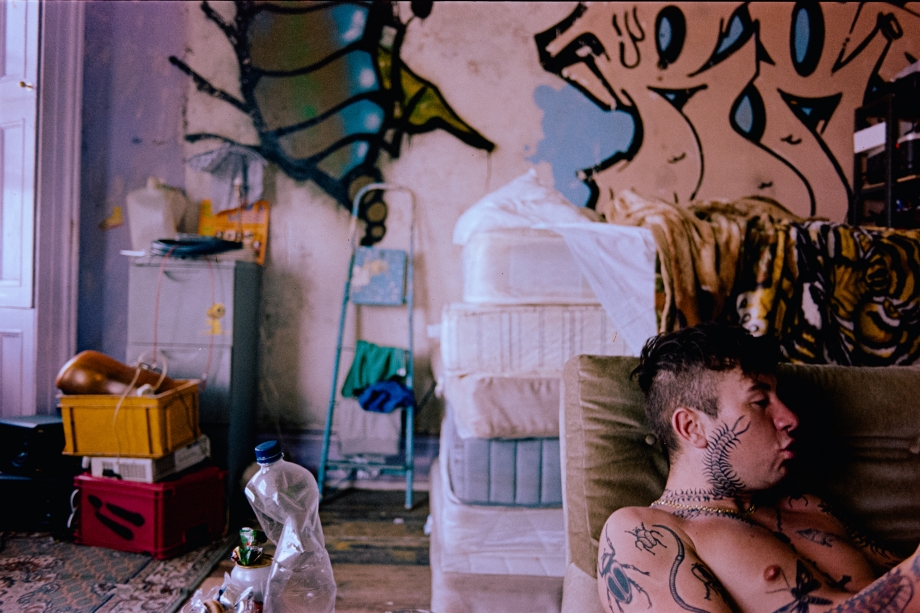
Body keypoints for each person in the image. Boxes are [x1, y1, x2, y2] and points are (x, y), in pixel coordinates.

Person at [597, 322, 917, 613]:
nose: (790, 419)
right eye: (761, 402)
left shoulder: (809, 508)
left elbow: (900, 575)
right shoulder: (641, 533)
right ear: (691, 427)